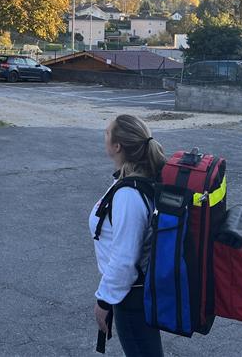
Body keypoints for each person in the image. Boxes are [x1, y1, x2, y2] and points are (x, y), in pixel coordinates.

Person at [89, 114, 166, 357]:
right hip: (136, 294)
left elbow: (124, 259)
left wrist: (104, 300)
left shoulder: (129, 195)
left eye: (107, 133)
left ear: (117, 146)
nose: (104, 137)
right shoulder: (136, 179)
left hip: (132, 299)